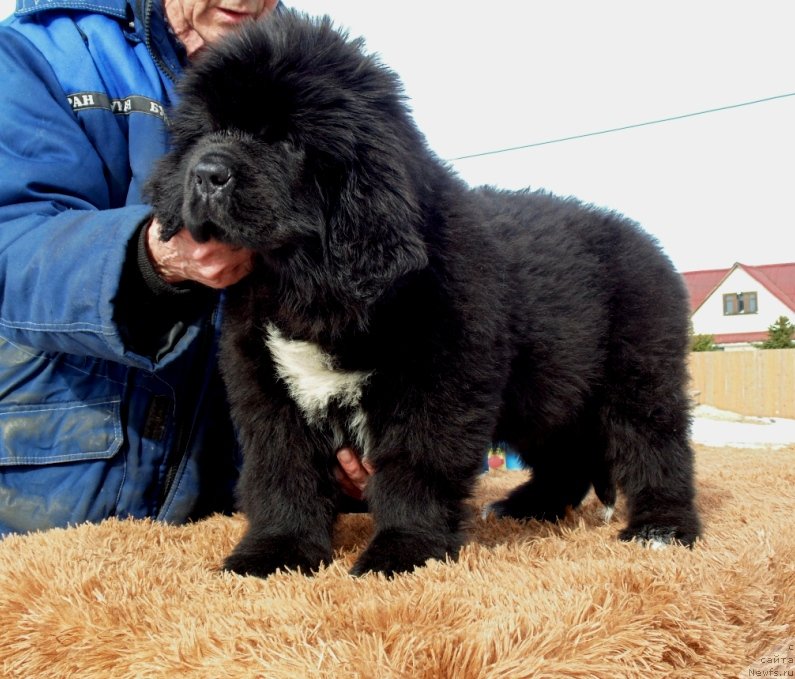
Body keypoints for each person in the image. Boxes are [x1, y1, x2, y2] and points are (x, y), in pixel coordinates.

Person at [0, 0, 371, 535]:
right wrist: (153, 256)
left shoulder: (320, 68)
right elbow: (10, 246)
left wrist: (381, 446)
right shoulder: (41, 52)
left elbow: (400, 260)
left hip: (244, 502)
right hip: (59, 486)